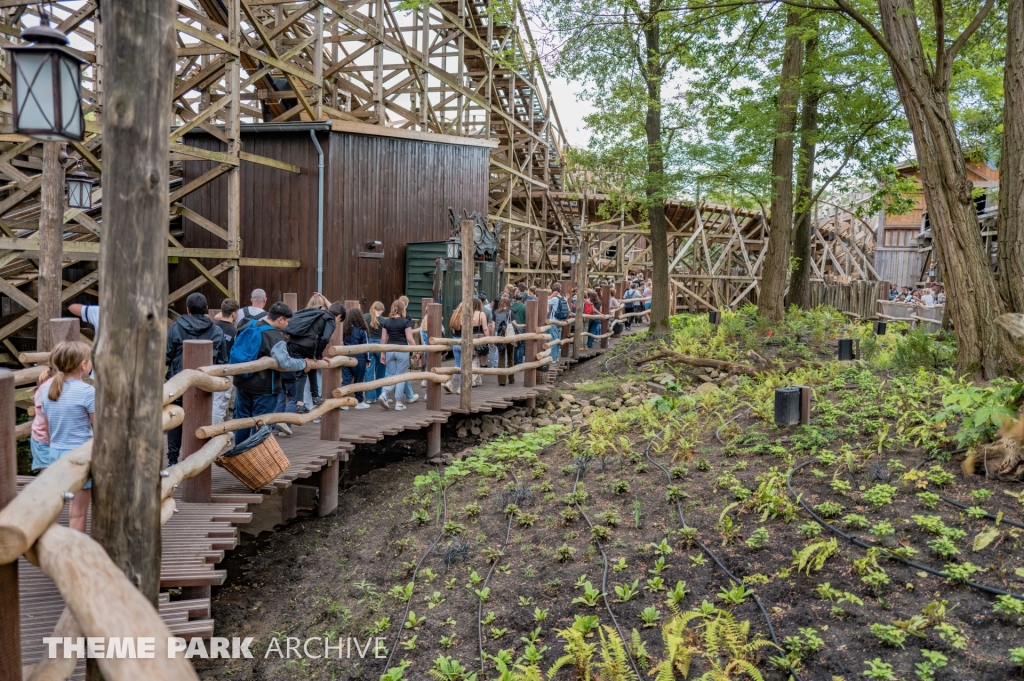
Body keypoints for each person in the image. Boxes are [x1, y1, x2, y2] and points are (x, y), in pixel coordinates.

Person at [231, 302, 312, 445]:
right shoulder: (275, 337)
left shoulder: (249, 324)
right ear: (280, 319)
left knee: (242, 421)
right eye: (287, 321)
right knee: (261, 424)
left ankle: (239, 454)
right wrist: (304, 363)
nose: (288, 324)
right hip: (265, 388)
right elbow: (285, 363)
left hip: (242, 382)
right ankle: (255, 458)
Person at [166, 293, 227, 465]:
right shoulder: (216, 331)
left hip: (178, 383)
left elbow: (166, 356)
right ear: (207, 309)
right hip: (205, 384)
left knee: (175, 419)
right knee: (202, 419)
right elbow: (222, 360)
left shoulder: (176, 328)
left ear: (187, 309)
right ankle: (199, 458)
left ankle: (172, 460)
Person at [39, 341, 94, 532]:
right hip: (80, 456)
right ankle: (73, 553)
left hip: (55, 454)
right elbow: (100, 429)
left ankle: (51, 548)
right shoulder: (88, 392)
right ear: (83, 365)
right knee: (77, 512)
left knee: (54, 507)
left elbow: (47, 431)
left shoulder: (47, 391)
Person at [282, 294, 340, 414]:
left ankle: (300, 403)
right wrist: (318, 355)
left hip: (293, 343)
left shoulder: (305, 313)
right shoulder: (324, 315)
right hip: (307, 346)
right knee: (312, 365)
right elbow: (324, 338)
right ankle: (314, 396)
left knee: (301, 372)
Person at [378, 299, 416, 410]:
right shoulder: (405, 322)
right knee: (401, 377)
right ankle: (398, 402)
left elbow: (383, 339)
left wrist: (382, 353)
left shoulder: (387, 322)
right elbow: (410, 338)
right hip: (402, 350)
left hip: (390, 350)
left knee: (391, 375)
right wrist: (416, 350)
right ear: (402, 309)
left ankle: (384, 394)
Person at [212, 298, 239, 424]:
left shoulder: (213, 327)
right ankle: (216, 433)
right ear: (234, 314)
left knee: (212, 402)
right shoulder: (234, 332)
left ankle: (220, 429)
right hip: (226, 370)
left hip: (210, 367)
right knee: (220, 404)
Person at [342, 306, 371, 409]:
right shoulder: (362, 330)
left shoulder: (345, 329)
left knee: (346, 379)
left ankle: (343, 402)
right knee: (358, 380)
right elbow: (366, 346)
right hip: (359, 357)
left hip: (346, 356)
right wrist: (368, 359)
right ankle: (359, 401)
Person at [364, 301, 387, 402]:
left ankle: (369, 397)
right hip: (379, 344)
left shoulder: (365, 317)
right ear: (381, 310)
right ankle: (380, 394)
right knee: (381, 370)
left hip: (368, 343)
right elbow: (385, 336)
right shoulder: (383, 320)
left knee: (369, 370)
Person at [494, 295, 516, 385]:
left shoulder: (496, 313)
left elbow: (492, 325)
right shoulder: (511, 312)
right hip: (509, 336)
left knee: (501, 357)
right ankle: (511, 378)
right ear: (509, 304)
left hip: (499, 336)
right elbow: (515, 324)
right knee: (510, 356)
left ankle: (501, 380)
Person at [547, 283, 568, 364]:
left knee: (553, 340)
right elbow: (568, 310)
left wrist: (552, 295)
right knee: (558, 340)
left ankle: (553, 358)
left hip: (554, 322)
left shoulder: (554, 299)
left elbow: (543, 301)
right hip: (561, 322)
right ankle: (556, 357)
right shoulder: (564, 299)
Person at [510, 291, 527, 365]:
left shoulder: (511, 306)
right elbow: (526, 317)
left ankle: (513, 361)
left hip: (512, 328)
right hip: (521, 328)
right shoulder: (524, 306)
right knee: (521, 346)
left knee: (514, 346)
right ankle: (519, 362)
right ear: (522, 298)